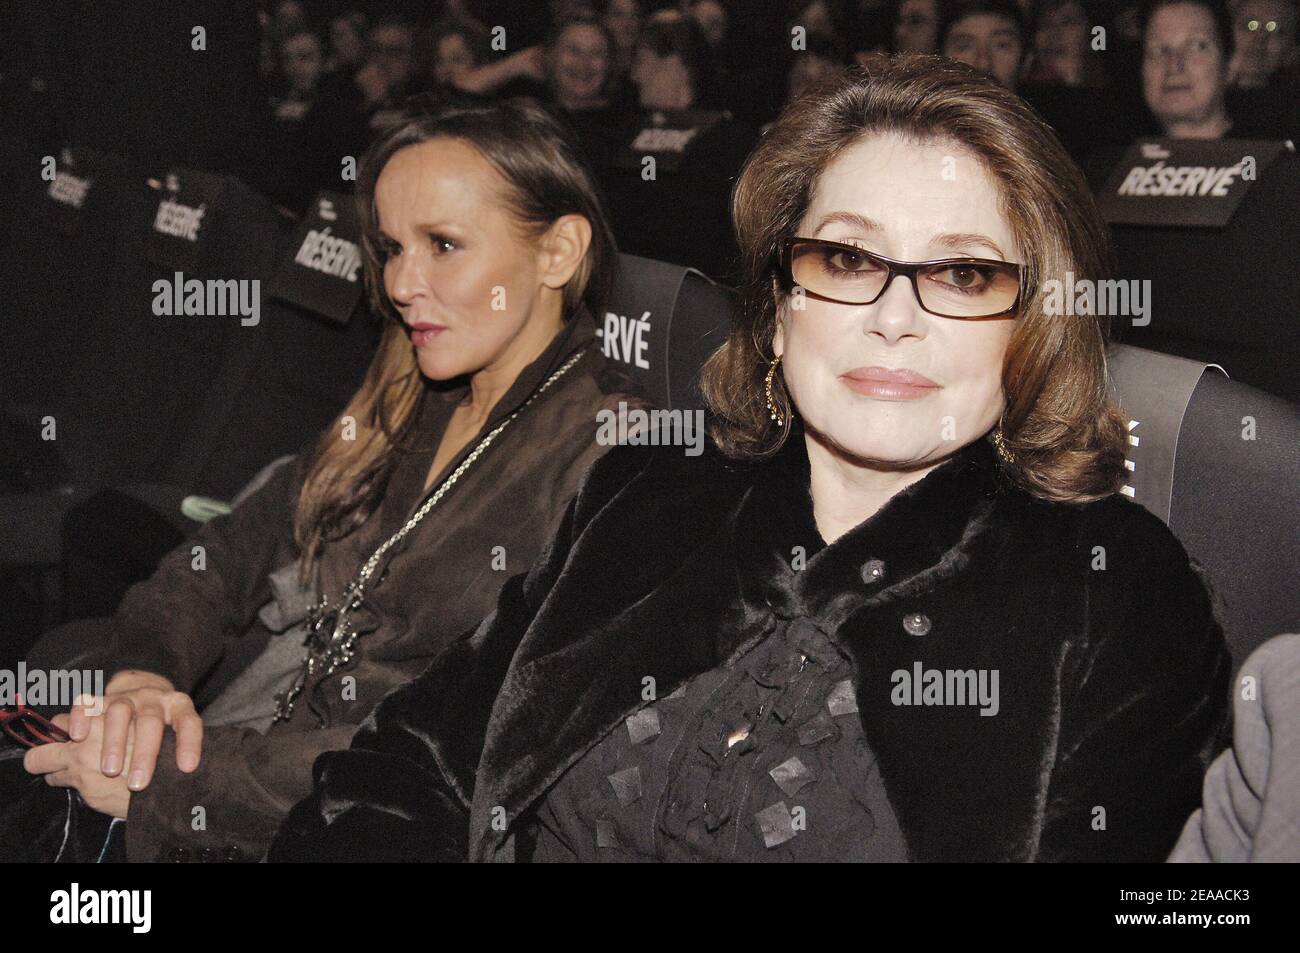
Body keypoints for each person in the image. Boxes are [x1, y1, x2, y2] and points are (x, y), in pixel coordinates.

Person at [270, 56, 1230, 863]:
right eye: (847, 260)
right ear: (777, 309)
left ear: (1033, 327)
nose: (895, 317)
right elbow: (413, 765)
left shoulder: (1122, 597)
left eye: (963, 272)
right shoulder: (645, 485)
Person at [4, 93, 648, 862]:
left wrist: (176, 788)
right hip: (243, 762)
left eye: (443, 244)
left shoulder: (609, 458)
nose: (404, 282)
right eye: (392, 247)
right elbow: (226, 553)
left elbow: (464, 751)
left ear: (558, 251)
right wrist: (146, 673)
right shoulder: (405, 391)